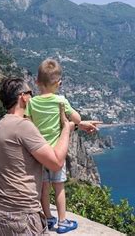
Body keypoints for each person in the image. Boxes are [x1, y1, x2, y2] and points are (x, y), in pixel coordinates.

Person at [0, 77, 100, 235]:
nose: (32, 97)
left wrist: (78, 125)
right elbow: (56, 163)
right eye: (30, 93)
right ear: (23, 97)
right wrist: (66, 128)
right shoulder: (23, 127)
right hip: (20, 218)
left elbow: (39, 128)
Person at [25, 58, 89, 234]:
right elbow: (77, 119)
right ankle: (62, 221)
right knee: (59, 187)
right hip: (56, 153)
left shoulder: (31, 103)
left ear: (37, 82)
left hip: (40, 154)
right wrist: (71, 117)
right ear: (59, 83)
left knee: (44, 188)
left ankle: (48, 218)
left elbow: (28, 124)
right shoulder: (60, 101)